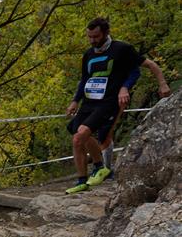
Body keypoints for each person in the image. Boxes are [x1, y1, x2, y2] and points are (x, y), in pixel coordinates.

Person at [65, 17, 171, 194]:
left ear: (106, 33)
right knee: (78, 135)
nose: (92, 40)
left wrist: (159, 84)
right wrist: (75, 100)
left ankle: (88, 176)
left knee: (81, 137)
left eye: (96, 36)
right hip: (89, 101)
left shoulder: (122, 49)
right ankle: (94, 172)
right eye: (89, 37)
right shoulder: (88, 54)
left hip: (109, 101)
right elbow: (84, 79)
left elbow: (146, 67)